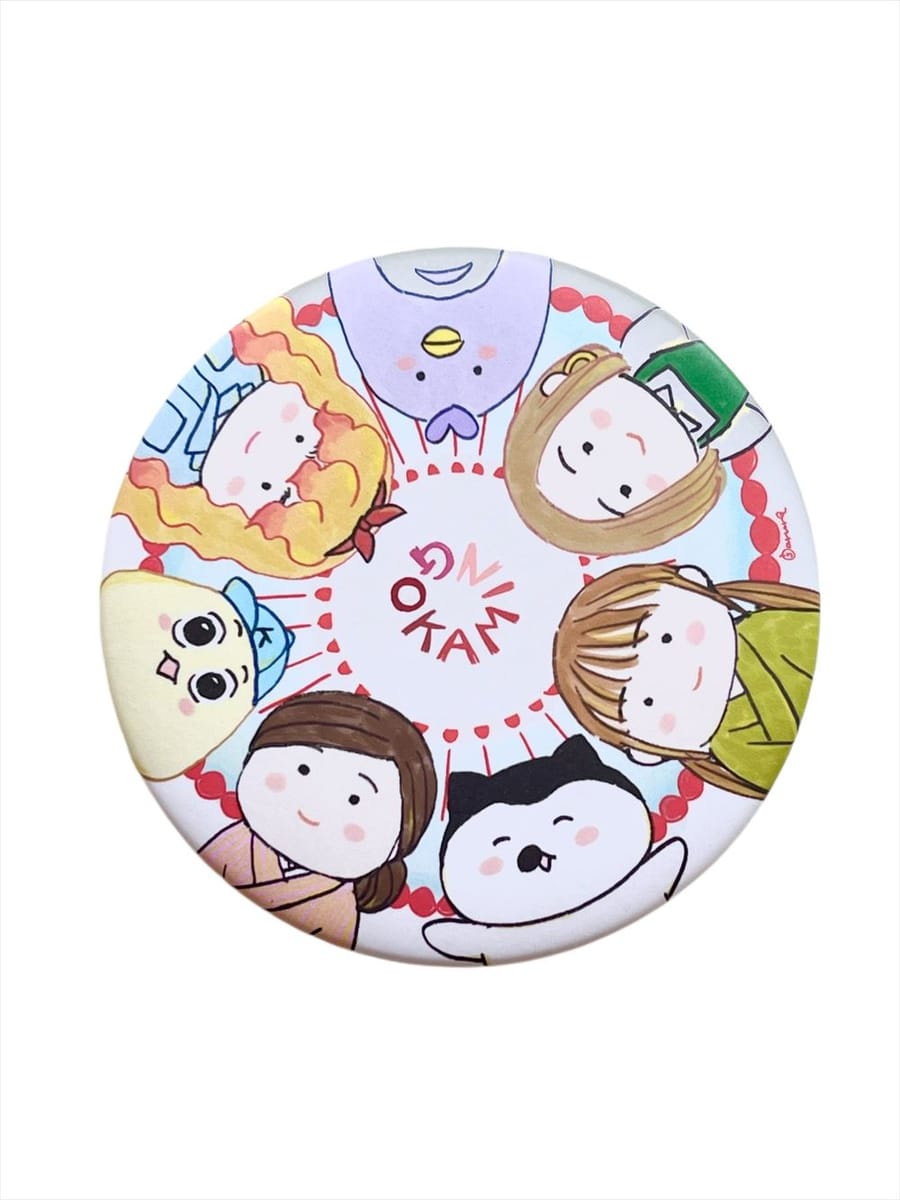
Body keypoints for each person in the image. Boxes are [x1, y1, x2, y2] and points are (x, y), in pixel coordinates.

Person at [552, 563, 819, 799]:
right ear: (647, 754)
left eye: (666, 639)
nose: (679, 675)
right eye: (649, 700)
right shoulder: (732, 748)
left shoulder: (771, 630)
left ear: (693, 579)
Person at [199, 692, 437, 950]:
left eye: (354, 798)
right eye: (303, 769)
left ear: (398, 843)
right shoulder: (236, 844)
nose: (312, 807)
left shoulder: (337, 909)